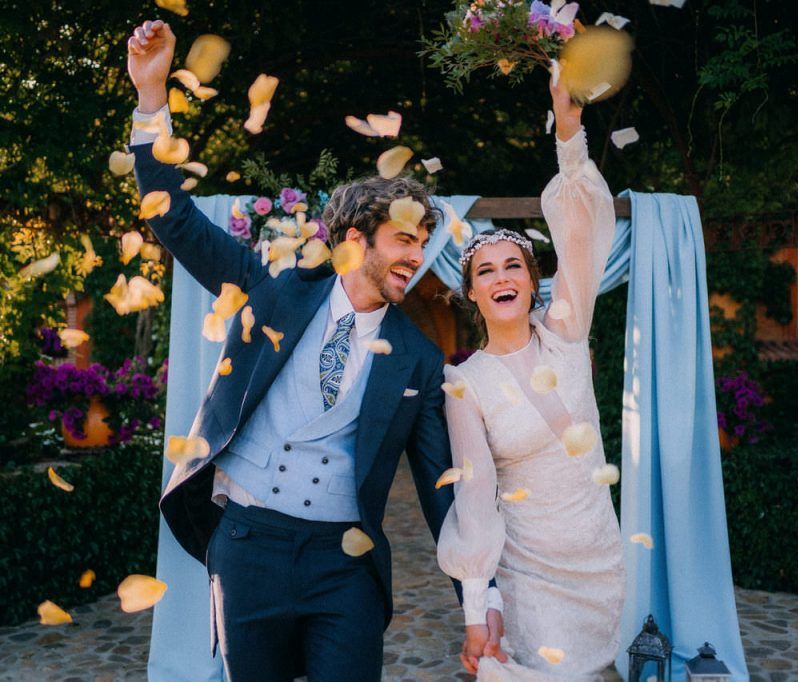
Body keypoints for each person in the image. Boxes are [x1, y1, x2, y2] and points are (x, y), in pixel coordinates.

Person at [124, 19, 503, 681]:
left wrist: (480, 601)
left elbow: (442, 489)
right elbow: (173, 218)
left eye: (422, 245)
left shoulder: (418, 359)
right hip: (247, 547)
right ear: (356, 238)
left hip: (344, 564)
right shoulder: (271, 293)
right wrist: (152, 97)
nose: (416, 258)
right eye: (404, 240)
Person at [437, 75, 625, 680]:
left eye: (512, 265)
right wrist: (477, 610)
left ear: (531, 278)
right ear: (472, 293)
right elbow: (474, 499)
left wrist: (568, 130)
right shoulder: (465, 384)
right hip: (530, 575)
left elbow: (580, 234)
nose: (501, 277)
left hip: (602, 563)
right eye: (486, 271)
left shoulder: (565, 333)